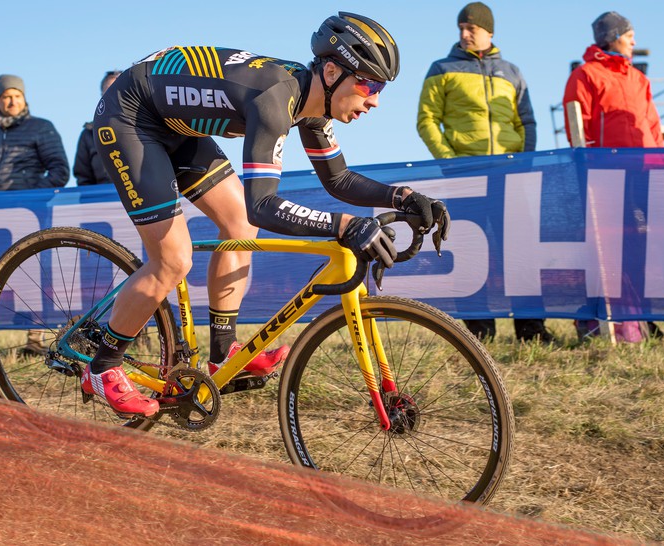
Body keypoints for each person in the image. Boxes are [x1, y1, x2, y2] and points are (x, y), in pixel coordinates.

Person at [83, 12, 451, 417]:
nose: (374, 99)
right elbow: (265, 204)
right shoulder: (276, 99)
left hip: (176, 124)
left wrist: (403, 197)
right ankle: (102, 368)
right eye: (368, 83)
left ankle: (223, 357)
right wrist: (344, 225)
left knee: (238, 224)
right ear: (331, 72)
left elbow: (339, 179)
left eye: (379, 87)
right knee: (173, 258)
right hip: (131, 115)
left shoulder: (311, 102)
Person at [563, 12, 664, 339]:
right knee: (623, 247)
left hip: (649, 172)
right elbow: (578, 128)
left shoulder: (637, 79)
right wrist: (589, 171)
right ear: (613, 36)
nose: (634, 41)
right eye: (630, 35)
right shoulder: (586, 75)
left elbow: (653, 127)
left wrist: (662, 167)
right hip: (609, 174)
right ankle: (633, 320)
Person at [416, 2, 551, 343]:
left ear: (489, 32)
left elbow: (528, 122)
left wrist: (523, 162)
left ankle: (531, 329)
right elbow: (427, 120)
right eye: (461, 27)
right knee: (472, 252)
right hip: (466, 175)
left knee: (520, 251)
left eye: (471, 28)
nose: (464, 33)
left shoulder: (513, 71)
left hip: (510, 174)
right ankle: (479, 331)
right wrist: (450, 161)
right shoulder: (440, 68)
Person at [0, 74, 70, 358]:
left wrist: (31, 195)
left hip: (29, 214)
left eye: (17, 96)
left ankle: (34, 341)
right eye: (6, 97)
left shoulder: (42, 128)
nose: (12, 101)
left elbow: (60, 170)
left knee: (33, 274)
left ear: (24, 98)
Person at [74, 70, 121, 185]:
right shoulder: (89, 135)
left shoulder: (146, 127)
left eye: (119, 90)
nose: (114, 96)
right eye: (109, 91)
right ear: (102, 96)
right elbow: (83, 178)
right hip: (104, 201)